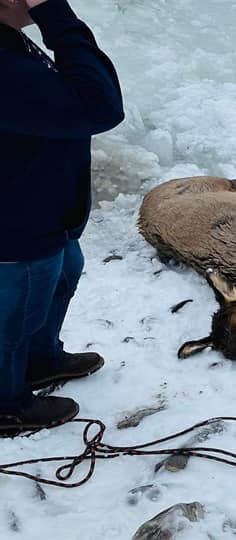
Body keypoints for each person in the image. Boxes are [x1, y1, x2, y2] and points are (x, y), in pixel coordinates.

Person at [1, 0, 124, 436]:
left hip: (40, 208)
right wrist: (57, 16)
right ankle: (6, 403)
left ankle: (37, 361)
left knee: (64, 271)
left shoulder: (9, 42)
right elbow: (100, 105)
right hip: (17, 225)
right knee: (11, 319)